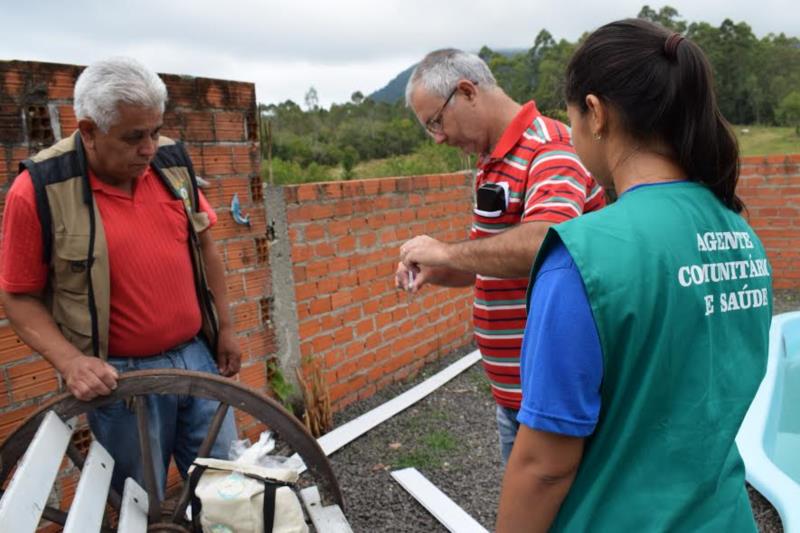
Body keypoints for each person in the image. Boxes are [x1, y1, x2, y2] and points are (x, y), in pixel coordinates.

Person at [496, 19, 773, 532]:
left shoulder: (582, 255)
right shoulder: (741, 235)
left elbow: (543, 468)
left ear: (596, 114)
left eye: (573, 117)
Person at [0, 57, 239, 498]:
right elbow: (18, 297)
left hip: (196, 357)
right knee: (140, 502)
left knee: (226, 491)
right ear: (88, 131)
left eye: (154, 131)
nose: (149, 148)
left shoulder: (170, 162)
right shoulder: (39, 189)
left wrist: (224, 327)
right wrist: (71, 362)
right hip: (121, 379)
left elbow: (205, 247)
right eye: (134, 137)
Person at [397, 49, 605, 463]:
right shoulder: (493, 161)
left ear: (467, 91)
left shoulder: (550, 147)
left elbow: (544, 241)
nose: (437, 137)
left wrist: (444, 249)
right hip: (515, 390)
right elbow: (487, 262)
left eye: (436, 121)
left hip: (552, 395)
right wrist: (438, 268)